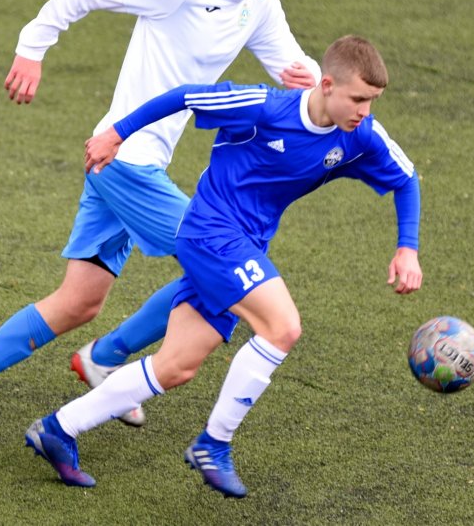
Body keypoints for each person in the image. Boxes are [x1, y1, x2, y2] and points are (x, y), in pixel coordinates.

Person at [0, 0, 321, 442]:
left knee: (79, 302)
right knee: (220, 261)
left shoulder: (260, 8)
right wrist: (32, 47)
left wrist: (317, 82)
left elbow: (297, 71)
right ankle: (106, 358)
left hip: (120, 165)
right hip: (125, 161)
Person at [24, 35, 423, 498]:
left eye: (372, 101)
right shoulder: (263, 107)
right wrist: (117, 134)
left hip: (245, 245)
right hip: (211, 232)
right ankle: (214, 444)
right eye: (358, 99)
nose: (365, 111)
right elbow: (183, 96)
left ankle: (59, 428)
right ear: (327, 84)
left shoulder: (360, 135)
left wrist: (407, 248)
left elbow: (406, 178)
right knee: (283, 327)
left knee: (176, 367)